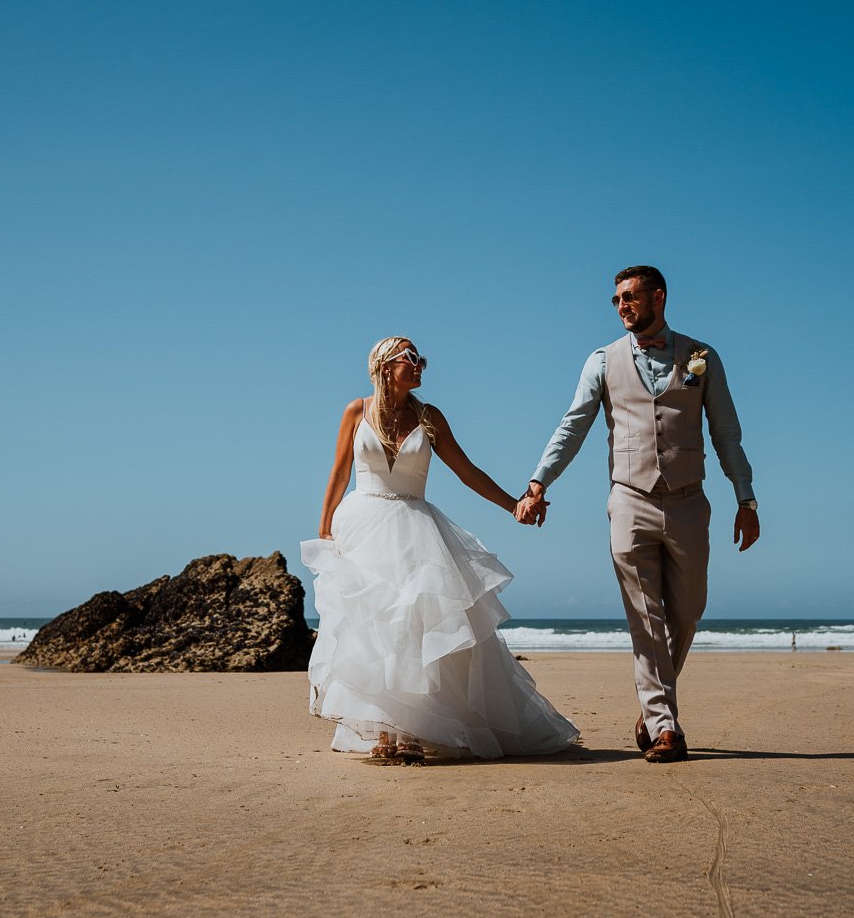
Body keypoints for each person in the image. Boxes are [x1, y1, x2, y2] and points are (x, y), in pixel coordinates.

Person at [514, 266, 760, 764]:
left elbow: (726, 432)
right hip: (629, 500)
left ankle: (652, 710)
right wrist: (539, 481)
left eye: (630, 296)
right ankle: (666, 725)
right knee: (644, 617)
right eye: (616, 299)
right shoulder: (602, 360)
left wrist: (746, 498)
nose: (622, 305)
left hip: (690, 500)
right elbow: (574, 426)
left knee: (687, 612)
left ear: (658, 297)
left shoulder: (701, 357)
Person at [302, 337, 579, 764]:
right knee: (375, 632)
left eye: (421, 360)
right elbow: (339, 473)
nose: (420, 367)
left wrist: (514, 505)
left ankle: (414, 729)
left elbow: (467, 471)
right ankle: (384, 729)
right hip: (363, 526)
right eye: (410, 359)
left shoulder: (429, 417)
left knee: (416, 628)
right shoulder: (355, 411)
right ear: (383, 365)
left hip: (416, 529)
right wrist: (324, 529)